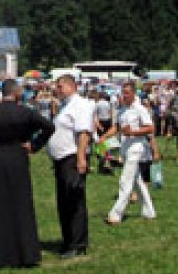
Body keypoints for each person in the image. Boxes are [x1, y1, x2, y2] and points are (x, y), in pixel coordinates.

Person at [0, 79, 55, 269]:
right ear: (16, 93)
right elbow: (49, 126)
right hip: (19, 157)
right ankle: (27, 254)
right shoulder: (25, 112)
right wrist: (34, 144)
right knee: (21, 205)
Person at [46, 74, 94, 259]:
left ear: (70, 86)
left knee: (74, 201)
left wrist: (81, 158)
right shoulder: (65, 106)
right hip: (61, 160)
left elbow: (83, 133)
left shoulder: (81, 105)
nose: (56, 90)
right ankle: (68, 240)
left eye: (59, 86)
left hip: (72, 157)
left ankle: (78, 243)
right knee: (64, 201)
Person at [100, 82, 156, 224]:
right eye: (122, 92)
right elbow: (117, 127)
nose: (123, 95)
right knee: (137, 181)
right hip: (125, 147)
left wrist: (133, 132)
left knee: (125, 181)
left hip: (136, 147)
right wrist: (105, 136)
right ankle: (149, 212)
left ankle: (115, 214)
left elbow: (150, 128)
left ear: (133, 94)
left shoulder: (140, 109)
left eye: (126, 93)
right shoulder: (122, 109)